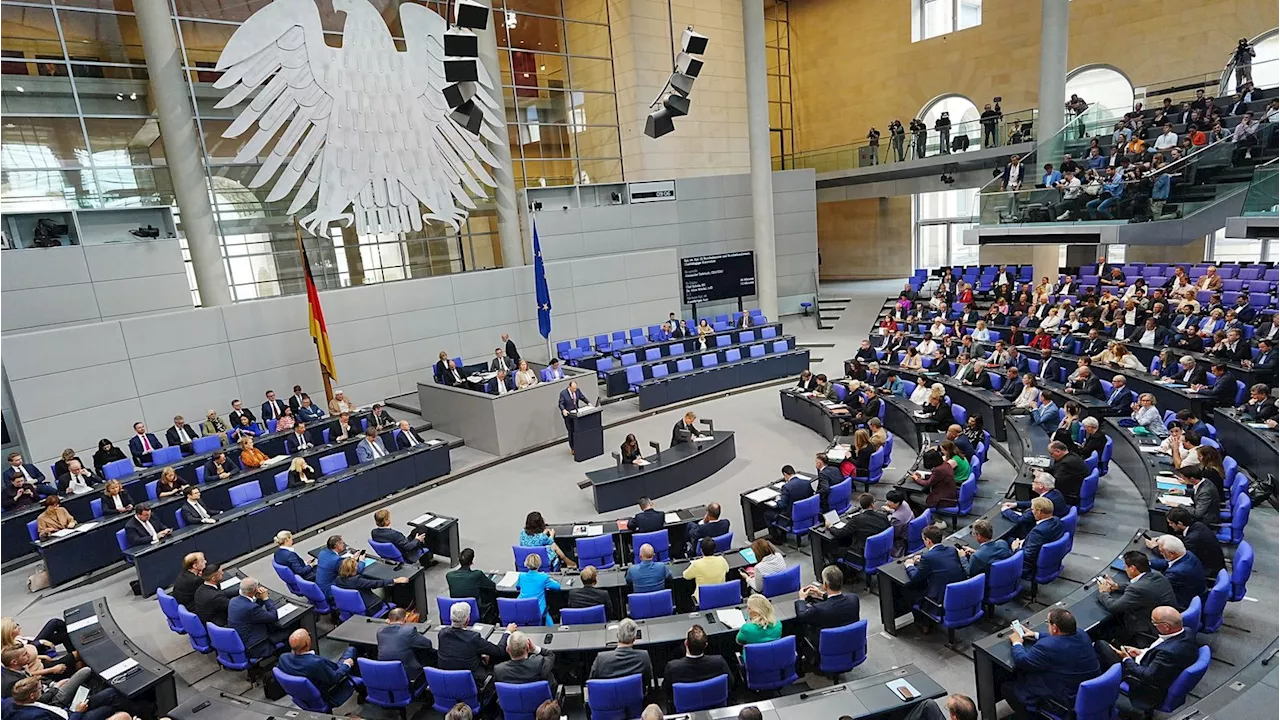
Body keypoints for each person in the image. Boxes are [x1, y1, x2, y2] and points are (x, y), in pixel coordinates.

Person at [1094, 606, 1198, 718]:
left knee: (1101, 645)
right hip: (1156, 666)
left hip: (1145, 685)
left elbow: (1148, 675)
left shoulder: (1168, 653)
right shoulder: (1187, 632)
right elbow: (1159, 651)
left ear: (1166, 627)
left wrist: (1126, 658)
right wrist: (1141, 652)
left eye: (1154, 622)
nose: (1152, 624)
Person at [1003, 608, 1100, 719]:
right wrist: (1035, 635)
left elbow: (1023, 661)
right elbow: (1062, 638)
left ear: (1054, 628)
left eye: (1048, 622)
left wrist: (1017, 643)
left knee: (1009, 688)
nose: (1047, 625)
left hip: (1068, 699)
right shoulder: (1082, 634)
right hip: (1089, 692)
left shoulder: (1047, 647)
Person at [1097, 551, 1179, 642]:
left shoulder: (1137, 589)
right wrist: (1116, 586)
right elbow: (1140, 586)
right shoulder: (1157, 576)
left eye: (1125, 566)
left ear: (1132, 568)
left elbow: (1113, 607)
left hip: (1149, 628)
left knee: (1106, 629)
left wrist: (1103, 592)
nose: (1124, 568)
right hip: (1168, 619)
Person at [278, 629, 361, 708]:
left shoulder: (283, 658)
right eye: (309, 635)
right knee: (351, 649)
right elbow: (334, 678)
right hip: (328, 691)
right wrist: (347, 665)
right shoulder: (316, 664)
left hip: (303, 694)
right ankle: (362, 688)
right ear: (308, 642)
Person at [794, 565, 860, 659]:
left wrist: (801, 599)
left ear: (825, 585)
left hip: (828, 649)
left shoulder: (819, 609)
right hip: (850, 645)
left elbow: (801, 615)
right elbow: (837, 601)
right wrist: (822, 594)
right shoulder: (854, 599)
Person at [437, 602, 512, 685]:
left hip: (447, 682)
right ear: (468, 620)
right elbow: (499, 651)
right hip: (473, 684)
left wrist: (479, 656)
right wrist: (507, 632)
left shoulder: (442, 634)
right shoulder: (473, 638)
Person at [904, 526, 966, 623]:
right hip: (959, 593)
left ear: (928, 541)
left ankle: (924, 625)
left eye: (923, 540)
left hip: (940, 599)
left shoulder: (927, 558)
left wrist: (909, 565)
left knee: (912, 592)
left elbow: (915, 577)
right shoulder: (952, 550)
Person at [662, 625, 733, 697]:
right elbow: (730, 683)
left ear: (686, 643)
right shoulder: (719, 662)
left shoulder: (673, 667)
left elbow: (667, 691)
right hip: (716, 704)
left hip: (686, 706)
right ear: (706, 645)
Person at [1154, 507, 1224, 578]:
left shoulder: (1192, 539)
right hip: (1211, 563)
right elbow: (1184, 538)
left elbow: (1176, 555)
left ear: (1180, 523)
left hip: (1208, 570)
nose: (1169, 525)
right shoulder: (1197, 525)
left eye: (1171, 523)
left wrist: (1155, 547)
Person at [228, 578, 286, 659]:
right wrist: (266, 599)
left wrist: (259, 598)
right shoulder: (250, 608)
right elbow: (273, 617)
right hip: (255, 645)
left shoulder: (233, 601)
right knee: (289, 630)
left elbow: (253, 611)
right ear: (255, 589)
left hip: (241, 639)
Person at [1011, 498, 1064, 581]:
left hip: (1029, 567)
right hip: (1048, 559)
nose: (1031, 511)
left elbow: (1028, 556)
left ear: (1039, 512)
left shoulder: (1038, 531)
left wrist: (1016, 548)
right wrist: (1024, 541)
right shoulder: (1057, 521)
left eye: (1032, 509)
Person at [377, 608, 433, 684]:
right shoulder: (409, 631)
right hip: (407, 676)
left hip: (386, 673)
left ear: (388, 620)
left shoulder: (380, 632)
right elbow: (427, 644)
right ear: (406, 618)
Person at [335, 557, 408, 616]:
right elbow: (375, 583)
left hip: (350, 606)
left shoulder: (338, 579)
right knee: (382, 588)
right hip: (370, 607)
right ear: (355, 569)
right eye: (356, 566)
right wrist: (395, 580)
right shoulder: (357, 581)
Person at [1149, 535, 1205, 611]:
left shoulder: (1176, 572)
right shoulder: (1187, 554)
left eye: (1162, 551)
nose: (1161, 553)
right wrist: (1147, 563)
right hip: (1196, 594)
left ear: (1171, 554)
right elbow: (1167, 562)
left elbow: (1157, 588)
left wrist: (1139, 574)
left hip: (1182, 604)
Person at [827, 493, 891, 558]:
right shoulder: (883, 517)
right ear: (872, 504)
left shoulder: (856, 519)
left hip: (861, 554)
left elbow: (839, 533)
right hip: (881, 550)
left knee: (834, 550)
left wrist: (830, 526)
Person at [590, 619, 653, 685]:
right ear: (634, 638)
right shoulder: (644, 657)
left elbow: (592, 683)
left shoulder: (601, 659)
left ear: (617, 636)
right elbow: (647, 681)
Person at [1001, 475, 1067, 536]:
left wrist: (1006, 510)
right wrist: (1016, 504)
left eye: (1034, 482)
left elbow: (1021, 520)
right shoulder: (1056, 492)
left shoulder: (1042, 505)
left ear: (1041, 486)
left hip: (1038, 530)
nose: (1032, 483)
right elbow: (1033, 503)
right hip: (1054, 525)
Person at [446, 548, 499, 623]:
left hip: (457, 609)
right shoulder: (477, 574)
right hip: (474, 609)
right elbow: (492, 586)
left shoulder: (449, 575)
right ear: (472, 562)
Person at [1163, 465, 1222, 530]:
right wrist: (1182, 491)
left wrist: (1179, 505)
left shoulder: (1205, 492)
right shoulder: (1203, 481)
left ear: (1192, 479)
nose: (1183, 480)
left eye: (1184, 478)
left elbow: (1197, 513)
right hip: (1202, 512)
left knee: (1174, 517)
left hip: (1206, 520)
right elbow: (1197, 491)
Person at [515, 552, 561, 625]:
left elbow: (518, 587)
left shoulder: (521, 576)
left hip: (521, 609)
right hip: (538, 612)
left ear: (526, 564)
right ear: (539, 564)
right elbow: (557, 587)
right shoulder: (544, 577)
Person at [683, 538, 731, 606]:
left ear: (701, 550)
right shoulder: (722, 560)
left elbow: (685, 576)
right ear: (714, 549)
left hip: (703, 599)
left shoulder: (696, 564)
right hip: (720, 596)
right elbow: (727, 569)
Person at [559, 380, 591, 455]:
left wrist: (588, 403)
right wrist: (563, 410)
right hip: (568, 416)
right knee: (571, 432)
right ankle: (573, 448)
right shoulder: (563, 393)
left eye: (575, 388)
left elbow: (582, 397)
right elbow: (560, 403)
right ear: (569, 387)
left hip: (576, 414)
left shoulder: (577, 391)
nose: (575, 390)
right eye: (573, 388)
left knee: (578, 431)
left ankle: (580, 445)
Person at [884, 489, 915, 557]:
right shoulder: (904, 503)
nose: (886, 503)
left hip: (901, 540)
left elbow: (894, 534)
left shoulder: (896, 518)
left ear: (897, 503)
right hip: (909, 531)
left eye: (889, 501)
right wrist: (891, 510)